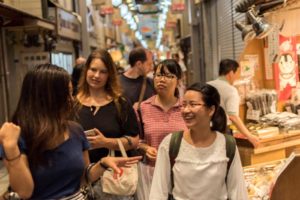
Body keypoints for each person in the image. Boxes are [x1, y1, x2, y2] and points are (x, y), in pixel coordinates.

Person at [0, 64, 141, 200]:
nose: (71, 99)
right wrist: (11, 149)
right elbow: (25, 191)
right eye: (66, 93)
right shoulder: (18, 136)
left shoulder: (75, 130)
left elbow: (82, 179)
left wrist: (103, 164)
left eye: (70, 92)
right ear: (47, 97)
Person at [149, 83, 248, 200]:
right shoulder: (171, 143)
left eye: (193, 104)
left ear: (211, 110)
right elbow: (158, 192)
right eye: (183, 104)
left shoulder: (227, 145)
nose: (186, 110)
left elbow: (238, 191)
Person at [76, 49, 140, 199]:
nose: (96, 75)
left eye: (103, 71)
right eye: (93, 69)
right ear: (86, 70)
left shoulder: (120, 104)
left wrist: (107, 143)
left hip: (113, 181)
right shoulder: (72, 104)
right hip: (80, 180)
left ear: (109, 74)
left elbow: (135, 140)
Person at [136, 59, 186, 200]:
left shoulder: (186, 108)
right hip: (153, 175)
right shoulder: (143, 108)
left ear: (178, 80)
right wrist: (146, 148)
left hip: (184, 174)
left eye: (169, 76)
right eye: (158, 75)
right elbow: (137, 141)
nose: (161, 80)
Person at [208, 59, 260, 147]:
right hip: (222, 131)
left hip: (205, 130)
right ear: (231, 73)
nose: (237, 77)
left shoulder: (207, 85)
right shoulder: (231, 90)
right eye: (237, 74)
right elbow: (233, 116)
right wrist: (249, 136)